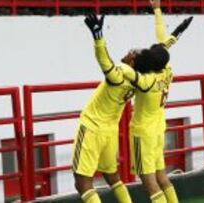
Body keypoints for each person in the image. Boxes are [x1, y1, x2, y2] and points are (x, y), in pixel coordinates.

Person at [121, 1, 194, 202]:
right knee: (161, 177)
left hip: (142, 132)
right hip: (158, 130)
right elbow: (166, 40)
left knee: (149, 181)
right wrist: (157, 11)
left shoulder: (145, 81)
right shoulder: (166, 72)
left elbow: (122, 70)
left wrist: (125, 60)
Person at [71, 13, 137, 203]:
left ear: (133, 64)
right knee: (112, 176)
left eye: (130, 55)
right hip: (109, 132)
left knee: (82, 183)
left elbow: (104, 61)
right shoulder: (138, 82)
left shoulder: (118, 77)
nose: (126, 55)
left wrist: (98, 36)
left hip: (92, 128)